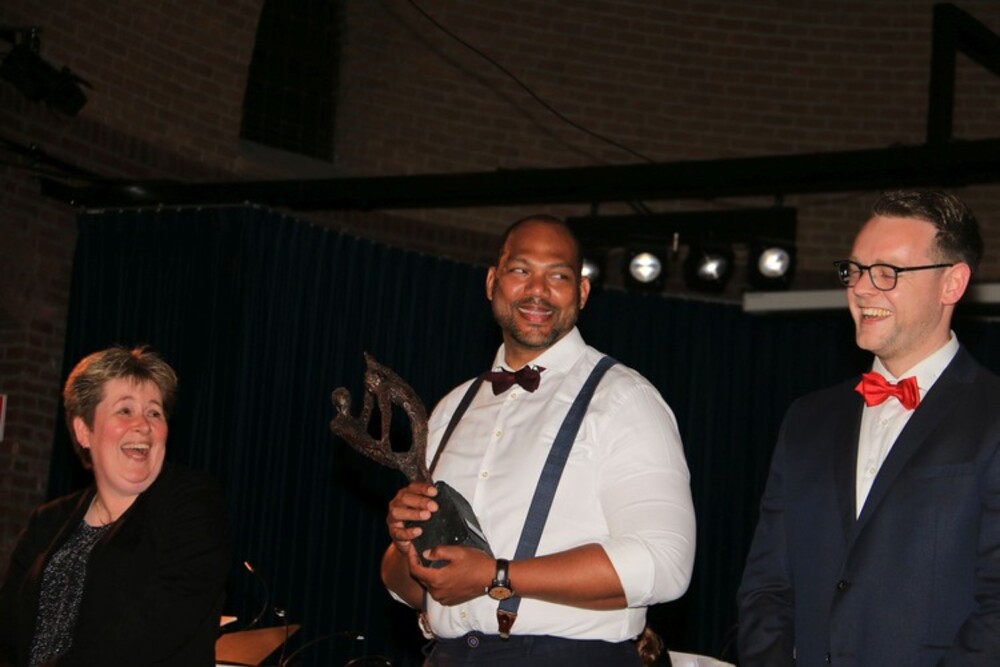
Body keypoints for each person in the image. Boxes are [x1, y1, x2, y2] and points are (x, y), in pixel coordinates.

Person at [380, 215, 696, 665]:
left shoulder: (625, 399)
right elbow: (415, 589)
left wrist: (498, 575)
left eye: (558, 276)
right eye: (521, 270)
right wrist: (405, 542)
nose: (537, 291)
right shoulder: (452, 407)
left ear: (581, 292)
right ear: (492, 282)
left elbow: (665, 563)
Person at [737, 190, 1000, 666]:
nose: (861, 288)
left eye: (887, 272)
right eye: (855, 270)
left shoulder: (992, 415)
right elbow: (766, 587)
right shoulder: (808, 419)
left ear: (952, 283)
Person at [0, 346, 232, 667]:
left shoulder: (191, 502)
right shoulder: (48, 520)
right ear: (84, 430)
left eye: (154, 413)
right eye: (125, 410)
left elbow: (164, 617)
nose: (143, 425)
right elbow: (8, 629)